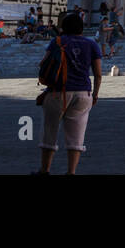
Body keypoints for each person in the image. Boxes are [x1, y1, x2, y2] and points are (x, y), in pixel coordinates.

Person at [36, 13, 103, 175]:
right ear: (81, 28)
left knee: (50, 131)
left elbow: (43, 63)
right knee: (76, 135)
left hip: (58, 92)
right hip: (83, 93)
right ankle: (71, 172)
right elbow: (98, 74)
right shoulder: (92, 44)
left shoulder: (57, 42)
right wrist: (95, 94)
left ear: (63, 28)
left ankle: (45, 170)